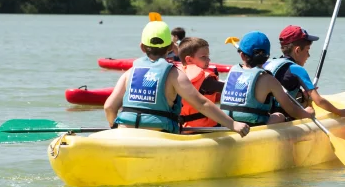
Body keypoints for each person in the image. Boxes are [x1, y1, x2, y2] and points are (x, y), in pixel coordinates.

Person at [104, 21, 249, 137]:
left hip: (125, 134)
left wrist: (114, 127)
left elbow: (109, 107)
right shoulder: (174, 74)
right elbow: (202, 104)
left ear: (142, 47)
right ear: (170, 47)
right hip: (158, 136)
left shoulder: (129, 72)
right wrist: (233, 124)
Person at [220, 31, 315, 125]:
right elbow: (291, 109)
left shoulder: (233, 71)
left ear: (242, 55)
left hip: (228, 124)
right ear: (267, 57)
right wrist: (307, 113)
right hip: (253, 126)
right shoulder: (269, 79)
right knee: (279, 115)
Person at [263, 25, 345, 120]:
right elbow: (319, 101)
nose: (308, 55)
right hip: (283, 119)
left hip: (266, 116)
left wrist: (302, 95)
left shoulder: (269, 63)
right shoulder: (296, 69)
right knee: (310, 110)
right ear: (297, 50)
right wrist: (340, 112)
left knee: (303, 99)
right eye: (307, 50)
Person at [178, 37, 224, 129]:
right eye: (204, 57)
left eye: (208, 56)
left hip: (182, 126)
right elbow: (229, 89)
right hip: (205, 129)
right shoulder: (207, 79)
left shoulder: (175, 75)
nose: (208, 60)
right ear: (189, 60)